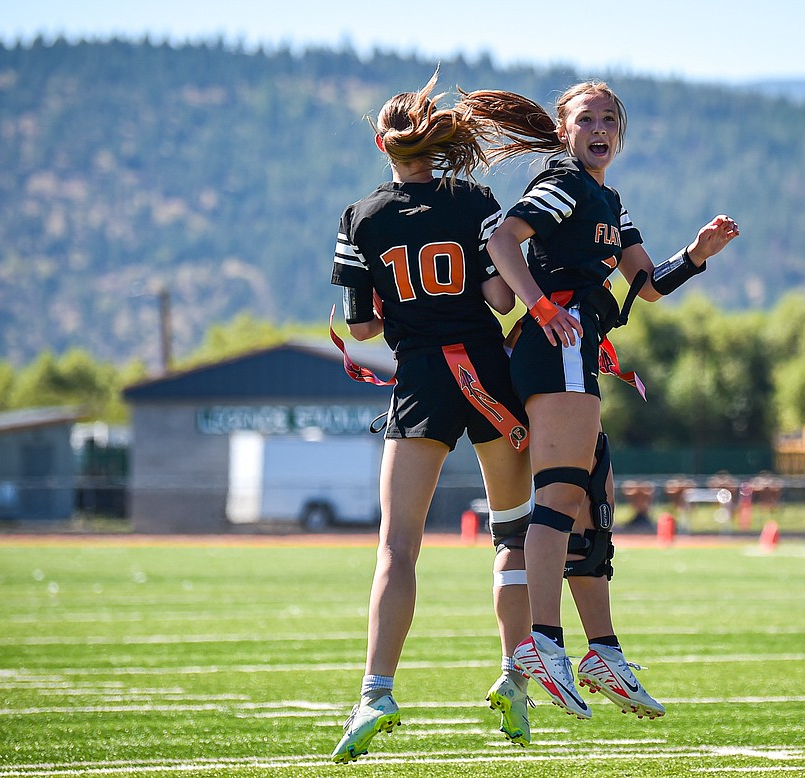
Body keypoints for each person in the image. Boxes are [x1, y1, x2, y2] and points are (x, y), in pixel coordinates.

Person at [466, 81, 740, 719]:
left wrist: (697, 254)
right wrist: (536, 303)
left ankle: (603, 651)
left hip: (579, 348)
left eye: (610, 119)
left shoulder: (608, 199)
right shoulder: (564, 182)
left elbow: (646, 286)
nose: (600, 127)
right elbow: (504, 240)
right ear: (565, 131)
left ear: (621, 133)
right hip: (555, 343)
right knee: (560, 496)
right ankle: (541, 641)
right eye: (586, 118)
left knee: (592, 507)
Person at [327, 71, 537, 763]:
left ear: (381, 142)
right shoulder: (472, 199)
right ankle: (515, 676)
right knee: (511, 535)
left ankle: (375, 691)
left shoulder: (360, 216)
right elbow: (501, 298)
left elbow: (359, 330)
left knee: (397, 547)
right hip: (486, 377)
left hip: (419, 380)